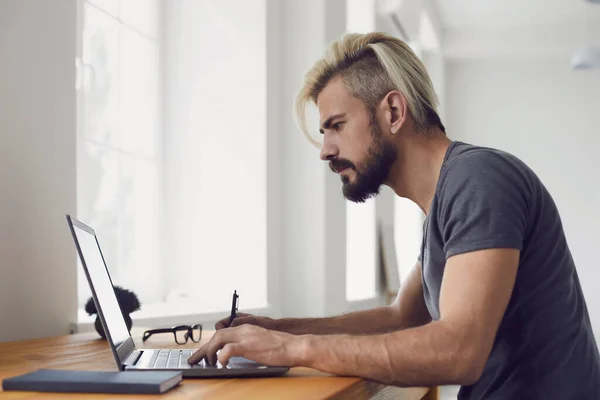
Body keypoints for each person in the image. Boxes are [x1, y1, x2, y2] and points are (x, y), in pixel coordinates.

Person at [188, 32, 600, 398]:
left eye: (337, 125)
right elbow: (402, 317)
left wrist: (293, 350)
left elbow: (458, 351)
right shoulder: (445, 198)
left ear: (393, 112)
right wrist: (279, 330)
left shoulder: (479, 179)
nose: (325, 150)